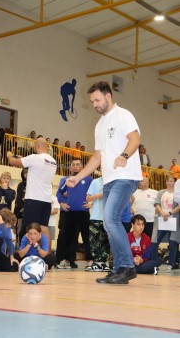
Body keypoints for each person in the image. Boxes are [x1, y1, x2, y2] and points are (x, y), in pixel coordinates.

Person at [66, 81, 142, 284]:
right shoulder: (99, 125)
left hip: (126, 176)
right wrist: (78, 176)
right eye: (92, 101)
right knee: (109, 224)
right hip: (108, 180)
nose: (94, 104)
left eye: (97, 99)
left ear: (108, 96)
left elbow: (135, 139)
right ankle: (118, 269)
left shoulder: (123, 115)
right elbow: (96, 158)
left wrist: (124, 155)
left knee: (110, 219)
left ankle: (126, 267)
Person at [7, 137, 57, 248]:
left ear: (37, 146)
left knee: (29, 228)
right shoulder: (53, 161)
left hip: (34, 199)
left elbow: (12, 162)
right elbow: (36, 166)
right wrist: (24, 159)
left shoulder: (35, 158)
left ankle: (26, 255)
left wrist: (9, 155)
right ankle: (47, 255)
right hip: (46, 200)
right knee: (44, 227)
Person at [56, 159, 92, 269]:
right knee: (68, 238)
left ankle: (90, 260)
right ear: (71, 167)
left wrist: (92, 203)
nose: (75, 166)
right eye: (73, 165)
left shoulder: (89, 179)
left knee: (87, 237)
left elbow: (95, 192)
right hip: (70, 213)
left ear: (82, 166)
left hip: (83, 212)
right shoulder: (66, 179)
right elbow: (59, 192)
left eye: (78, 164)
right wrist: (62, 203)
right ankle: (66, 260)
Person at [151, 175, 180, 272]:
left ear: (175, 182)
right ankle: (154, 263)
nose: (170, 183)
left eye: (172, 181)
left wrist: (170, 213)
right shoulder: (161, 192)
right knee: (155, 241)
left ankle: (170, 264)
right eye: (168, 181)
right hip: (161, 220)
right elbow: (156, 203)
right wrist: (163, 213)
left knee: (172, 243)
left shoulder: (177, 193)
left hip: (173, 220)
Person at [85, 175, 110, 272]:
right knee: (94, 241)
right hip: (96, 216)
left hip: (108, 217)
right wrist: (98, 196)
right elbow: (88, 198)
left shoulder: (113, 182)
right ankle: (96, 262)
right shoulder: (95, 182)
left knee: (106, 241)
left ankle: (103, 262)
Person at [14, 168, 28, 246]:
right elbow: (18, 199)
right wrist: (23, 208)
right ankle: (19, 248)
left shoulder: (34, 184)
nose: (26, 174)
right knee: (20, 232)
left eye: (28, 172)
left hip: (31, 212)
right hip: (21, 213)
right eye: (25, 173)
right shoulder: (21, 185)